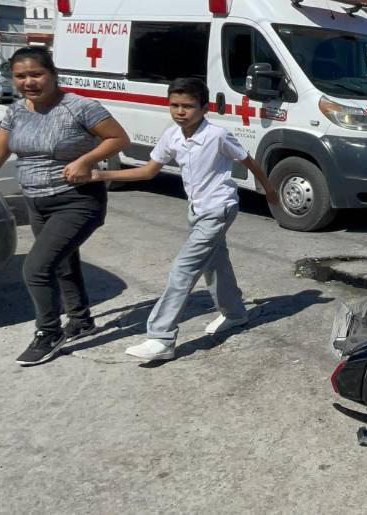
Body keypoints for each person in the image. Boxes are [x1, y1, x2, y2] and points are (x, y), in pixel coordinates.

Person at [0, 46, 130, 365]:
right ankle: (80, 322)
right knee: (63, 262)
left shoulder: (80, 107)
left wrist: (86, 160)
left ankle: (48, 332)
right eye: (20, 76)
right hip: (35, 201)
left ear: (53, 74)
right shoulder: (16, 112)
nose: (29, 82)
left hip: (77, 200)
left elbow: (118, 139)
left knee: (37, 268)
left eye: (36, 74)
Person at [91, 77, 278, 361]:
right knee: (216, 266)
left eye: (188, 106)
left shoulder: (217, 135)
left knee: (183, 269)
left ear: (204, 108)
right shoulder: (172, 136)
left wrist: (269, 190)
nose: (180, 112)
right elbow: (148, 172)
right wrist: (102, 175)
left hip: (219, 209)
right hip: (197, 211)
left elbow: (247, 159)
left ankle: (161, 338)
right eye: (174, 105)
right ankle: (236, 314)